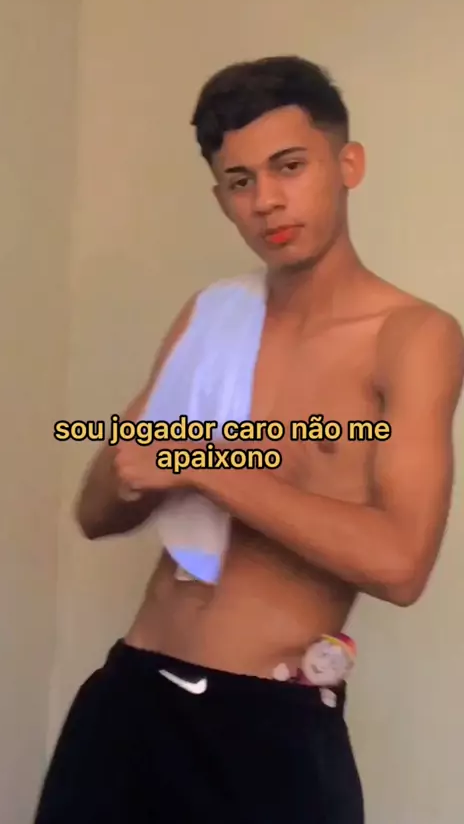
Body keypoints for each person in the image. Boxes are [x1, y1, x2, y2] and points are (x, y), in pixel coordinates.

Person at [33, 56, 464, 824]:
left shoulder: (412, 337)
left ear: (348, 164)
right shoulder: (212, 314)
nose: (266, 200)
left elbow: (402, 564)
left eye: (289, 166)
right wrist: (130, 467)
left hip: (266, 724)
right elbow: (98, 514)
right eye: (240, 181)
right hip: (132, 695)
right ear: (221, 199)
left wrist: (208, 464)